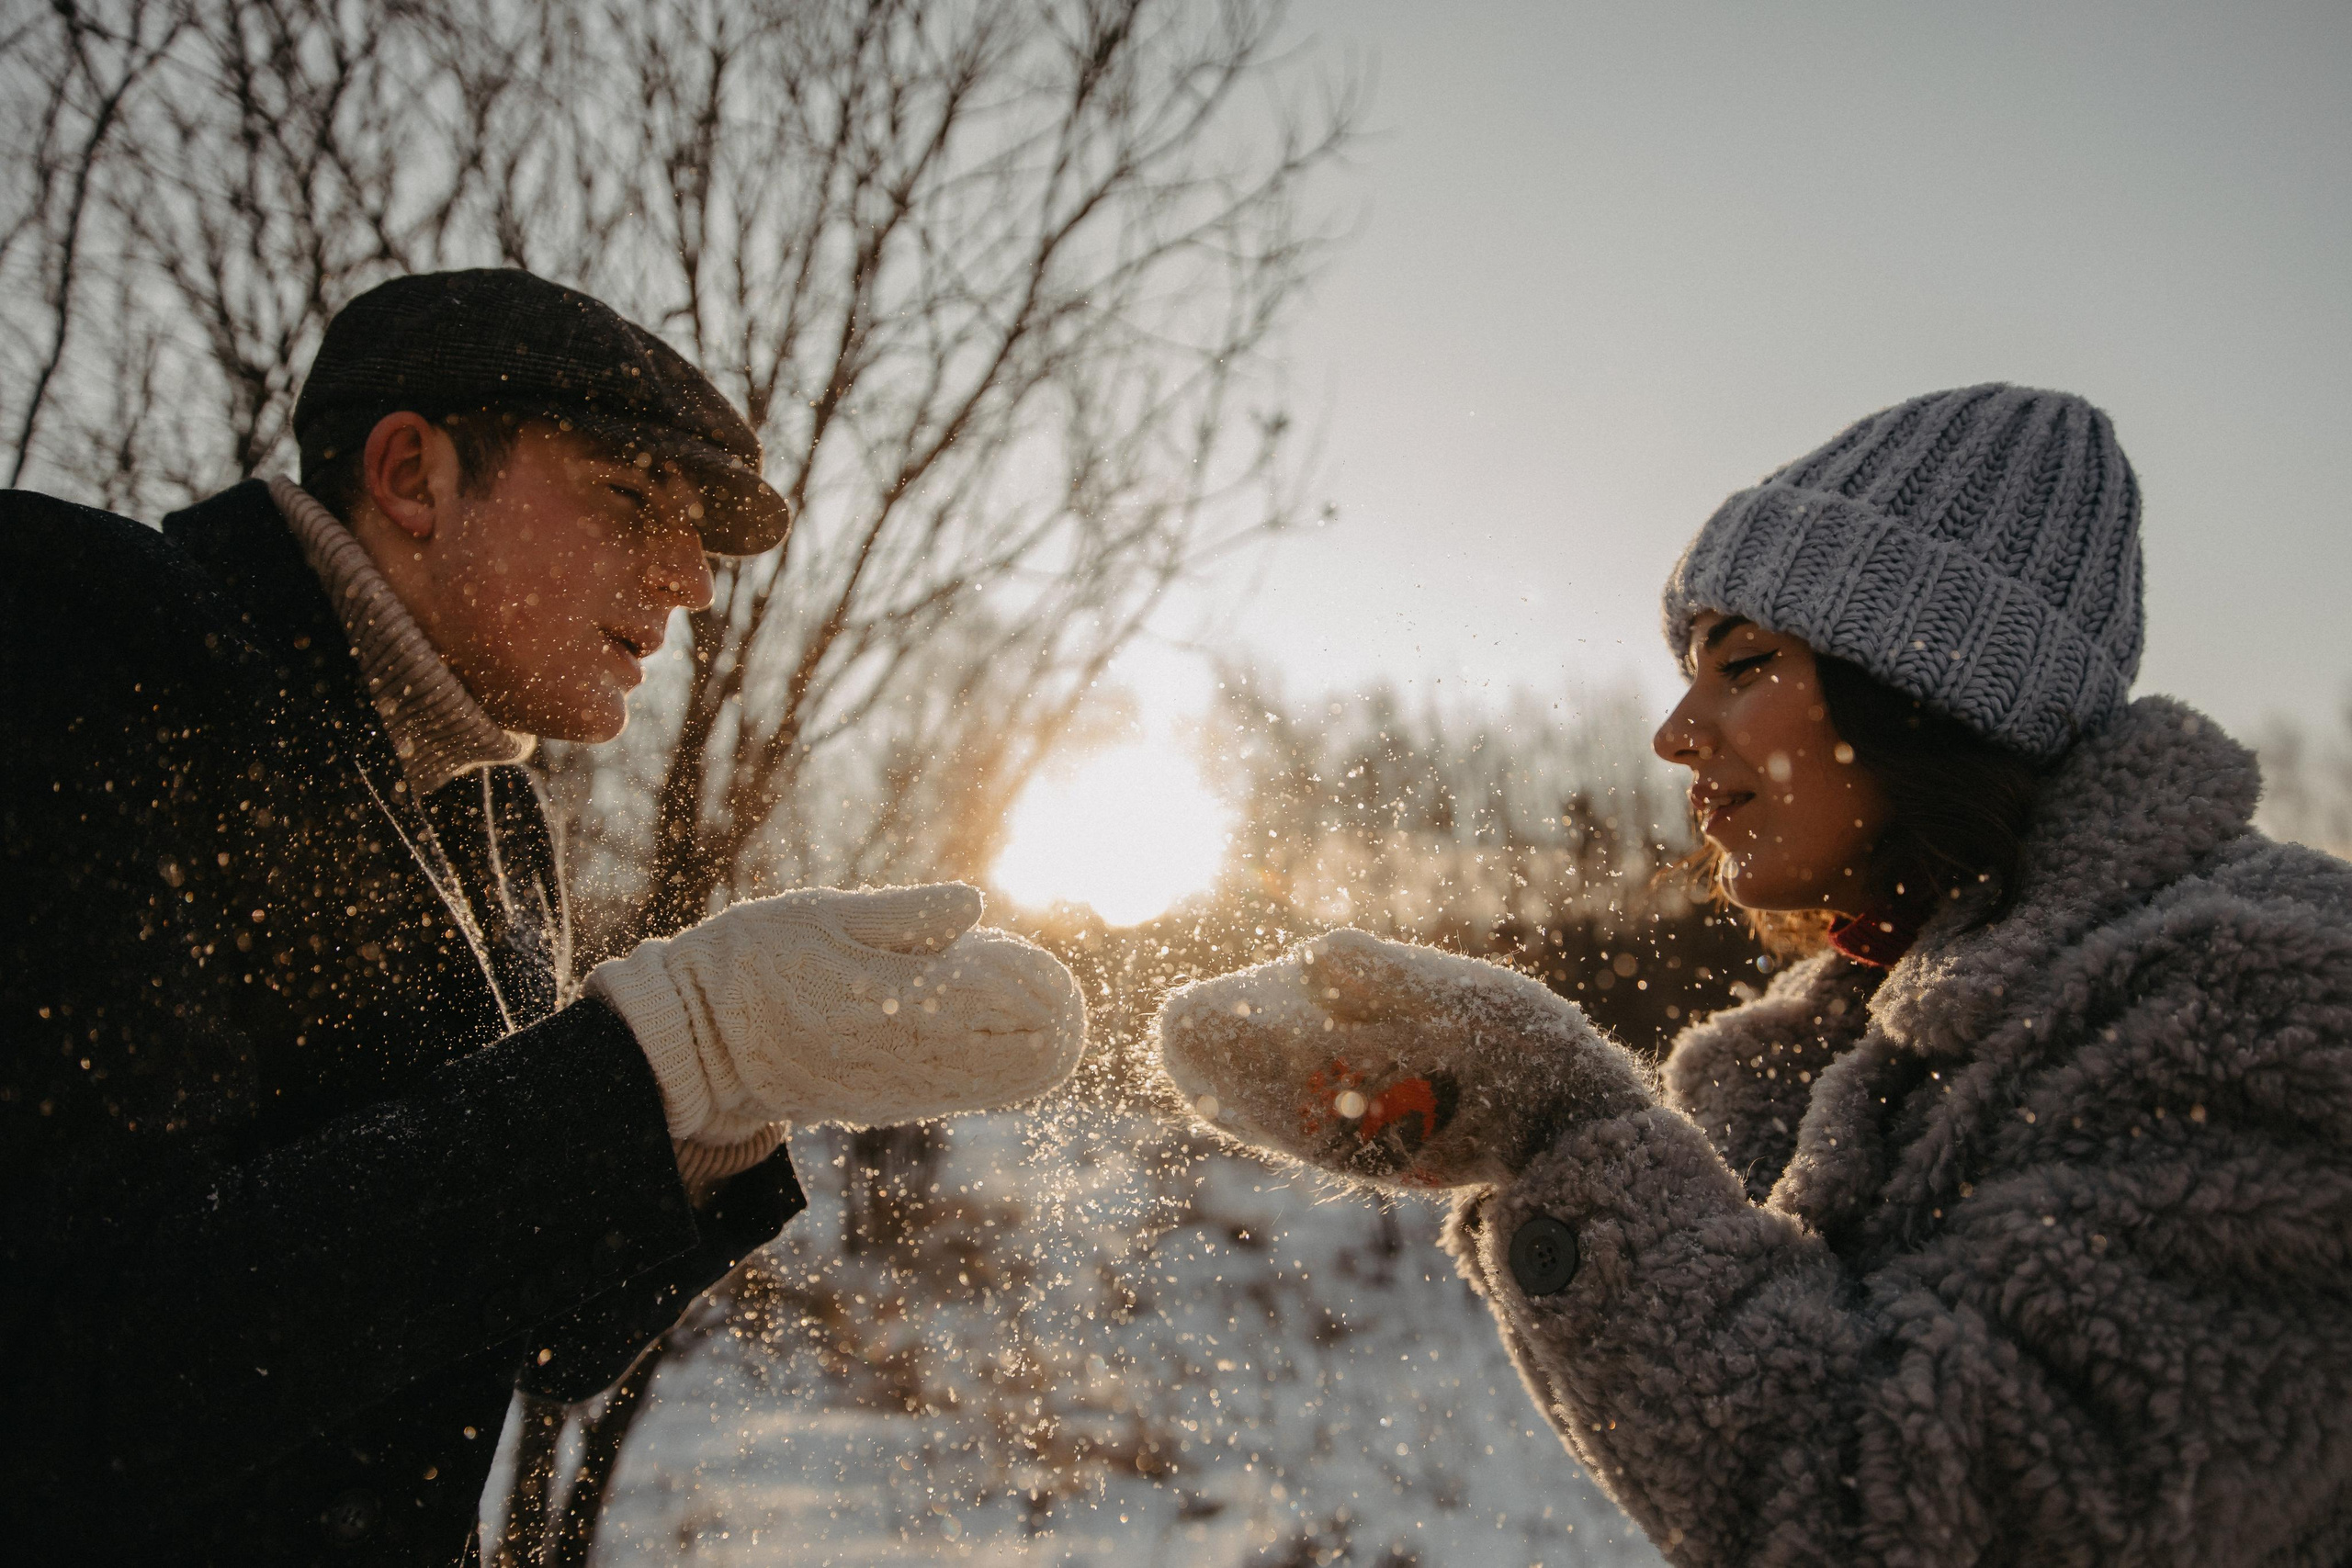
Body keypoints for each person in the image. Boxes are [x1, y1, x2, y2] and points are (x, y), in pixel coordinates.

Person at [1, 269, 1087, 1564]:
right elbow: (75, 1362)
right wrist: (671, 1049)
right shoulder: (78, 633)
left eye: (695, 532)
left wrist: (720, 1105)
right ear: (413, 475)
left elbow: (538, 1339)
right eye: (634, 502)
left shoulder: (497, 820)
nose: (690, 581)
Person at [1159, 385, 2352, 1563]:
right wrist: (1504, 1118)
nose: (1676, 733)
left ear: (1918, 681)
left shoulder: (2264, 995)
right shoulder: (1844, 1050)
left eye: (1741, 664)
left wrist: (1565, 1131)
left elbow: (1920, 1520)